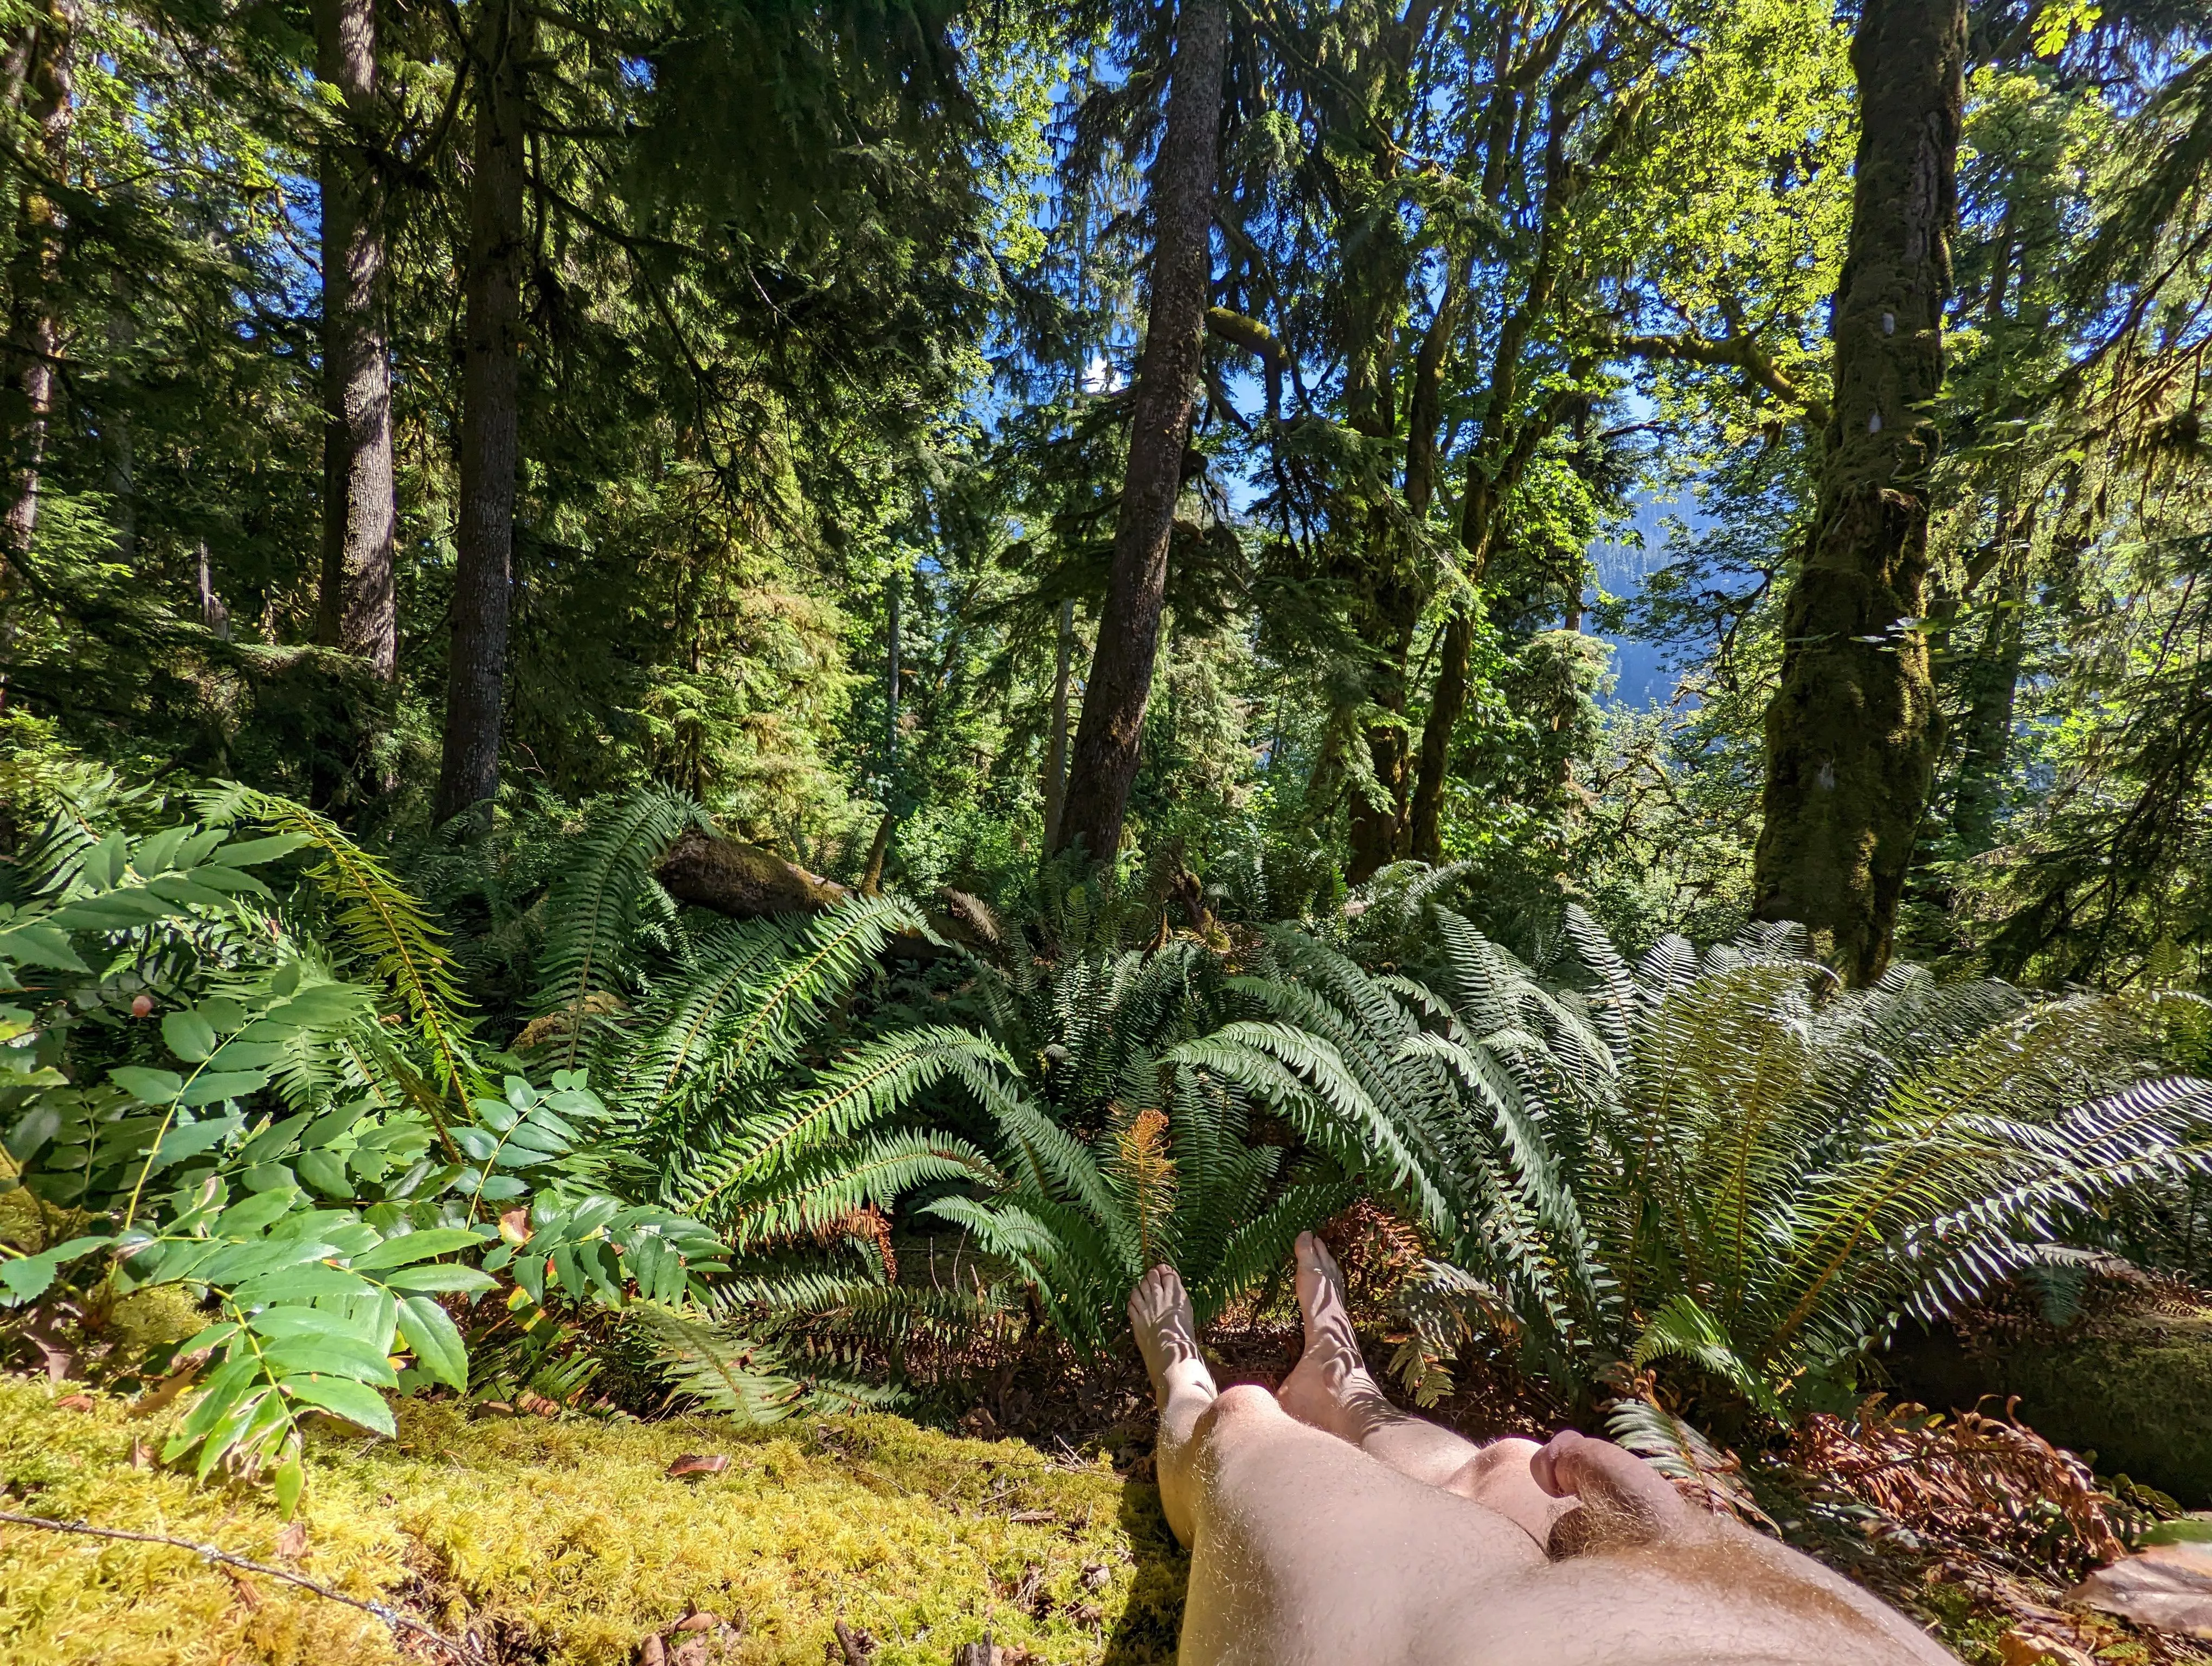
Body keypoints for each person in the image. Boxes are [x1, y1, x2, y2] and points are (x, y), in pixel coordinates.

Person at [1127, 1234, 1960, 1665]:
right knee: (1500, 1464)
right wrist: (1682, 1541)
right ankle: (1347, 1391)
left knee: (1243, 1423)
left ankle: (1186, 1391)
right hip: (1669, 1588)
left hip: (1418, 1641)